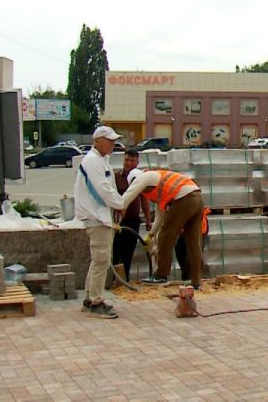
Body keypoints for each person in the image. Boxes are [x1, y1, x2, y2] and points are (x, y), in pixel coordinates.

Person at [74, 125, 128, 319]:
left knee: (98, 260)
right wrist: (119, 203)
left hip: (100, 215)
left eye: (114, 140)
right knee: (102, 260)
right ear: (97, 141)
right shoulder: (93, 161)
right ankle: (95, 302)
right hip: (96, 216)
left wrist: (115, 206)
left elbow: (108, 188)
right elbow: (104, 190)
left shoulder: (101, 160)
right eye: (109, 140)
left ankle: (90, 298)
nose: (112, 144)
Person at [119, 169, 206, 289]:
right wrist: (150, 235)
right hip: (197, 197)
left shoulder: (144, 176)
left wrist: (119, 209)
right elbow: (160, 216)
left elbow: (129, 194)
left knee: (166, 235)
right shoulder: (160, 187)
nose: (142, 191)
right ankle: (196, 281)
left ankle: (161, 274)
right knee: (193, 242)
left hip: (184, 198)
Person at [112, 149, 152, 281]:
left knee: (128, 253)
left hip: (133, 220)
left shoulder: (140, 178)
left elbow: (144, 199)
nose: (129, 163)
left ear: (137, 162)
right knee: (115, 250)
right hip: (118, 221)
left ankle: (125, 280)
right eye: (126, 160)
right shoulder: (116, 177)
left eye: (132, 160)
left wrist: (147, 219)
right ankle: (114, 279)